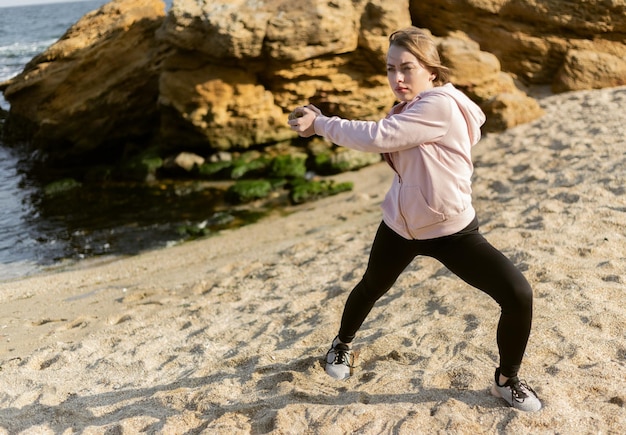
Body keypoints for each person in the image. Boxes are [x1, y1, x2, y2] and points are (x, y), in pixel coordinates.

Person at [287, 26, 542, 412]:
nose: (397, 78)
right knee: (372, 285)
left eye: (407, 68)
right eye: (391, 69)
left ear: (431, 71)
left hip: (450, 231)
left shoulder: (438, 105)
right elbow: (394, 141)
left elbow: (378, 137)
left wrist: (321, 124)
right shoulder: (415, 107)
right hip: (400, 226)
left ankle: (507, 381)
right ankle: (341, 346)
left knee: (517, 294)